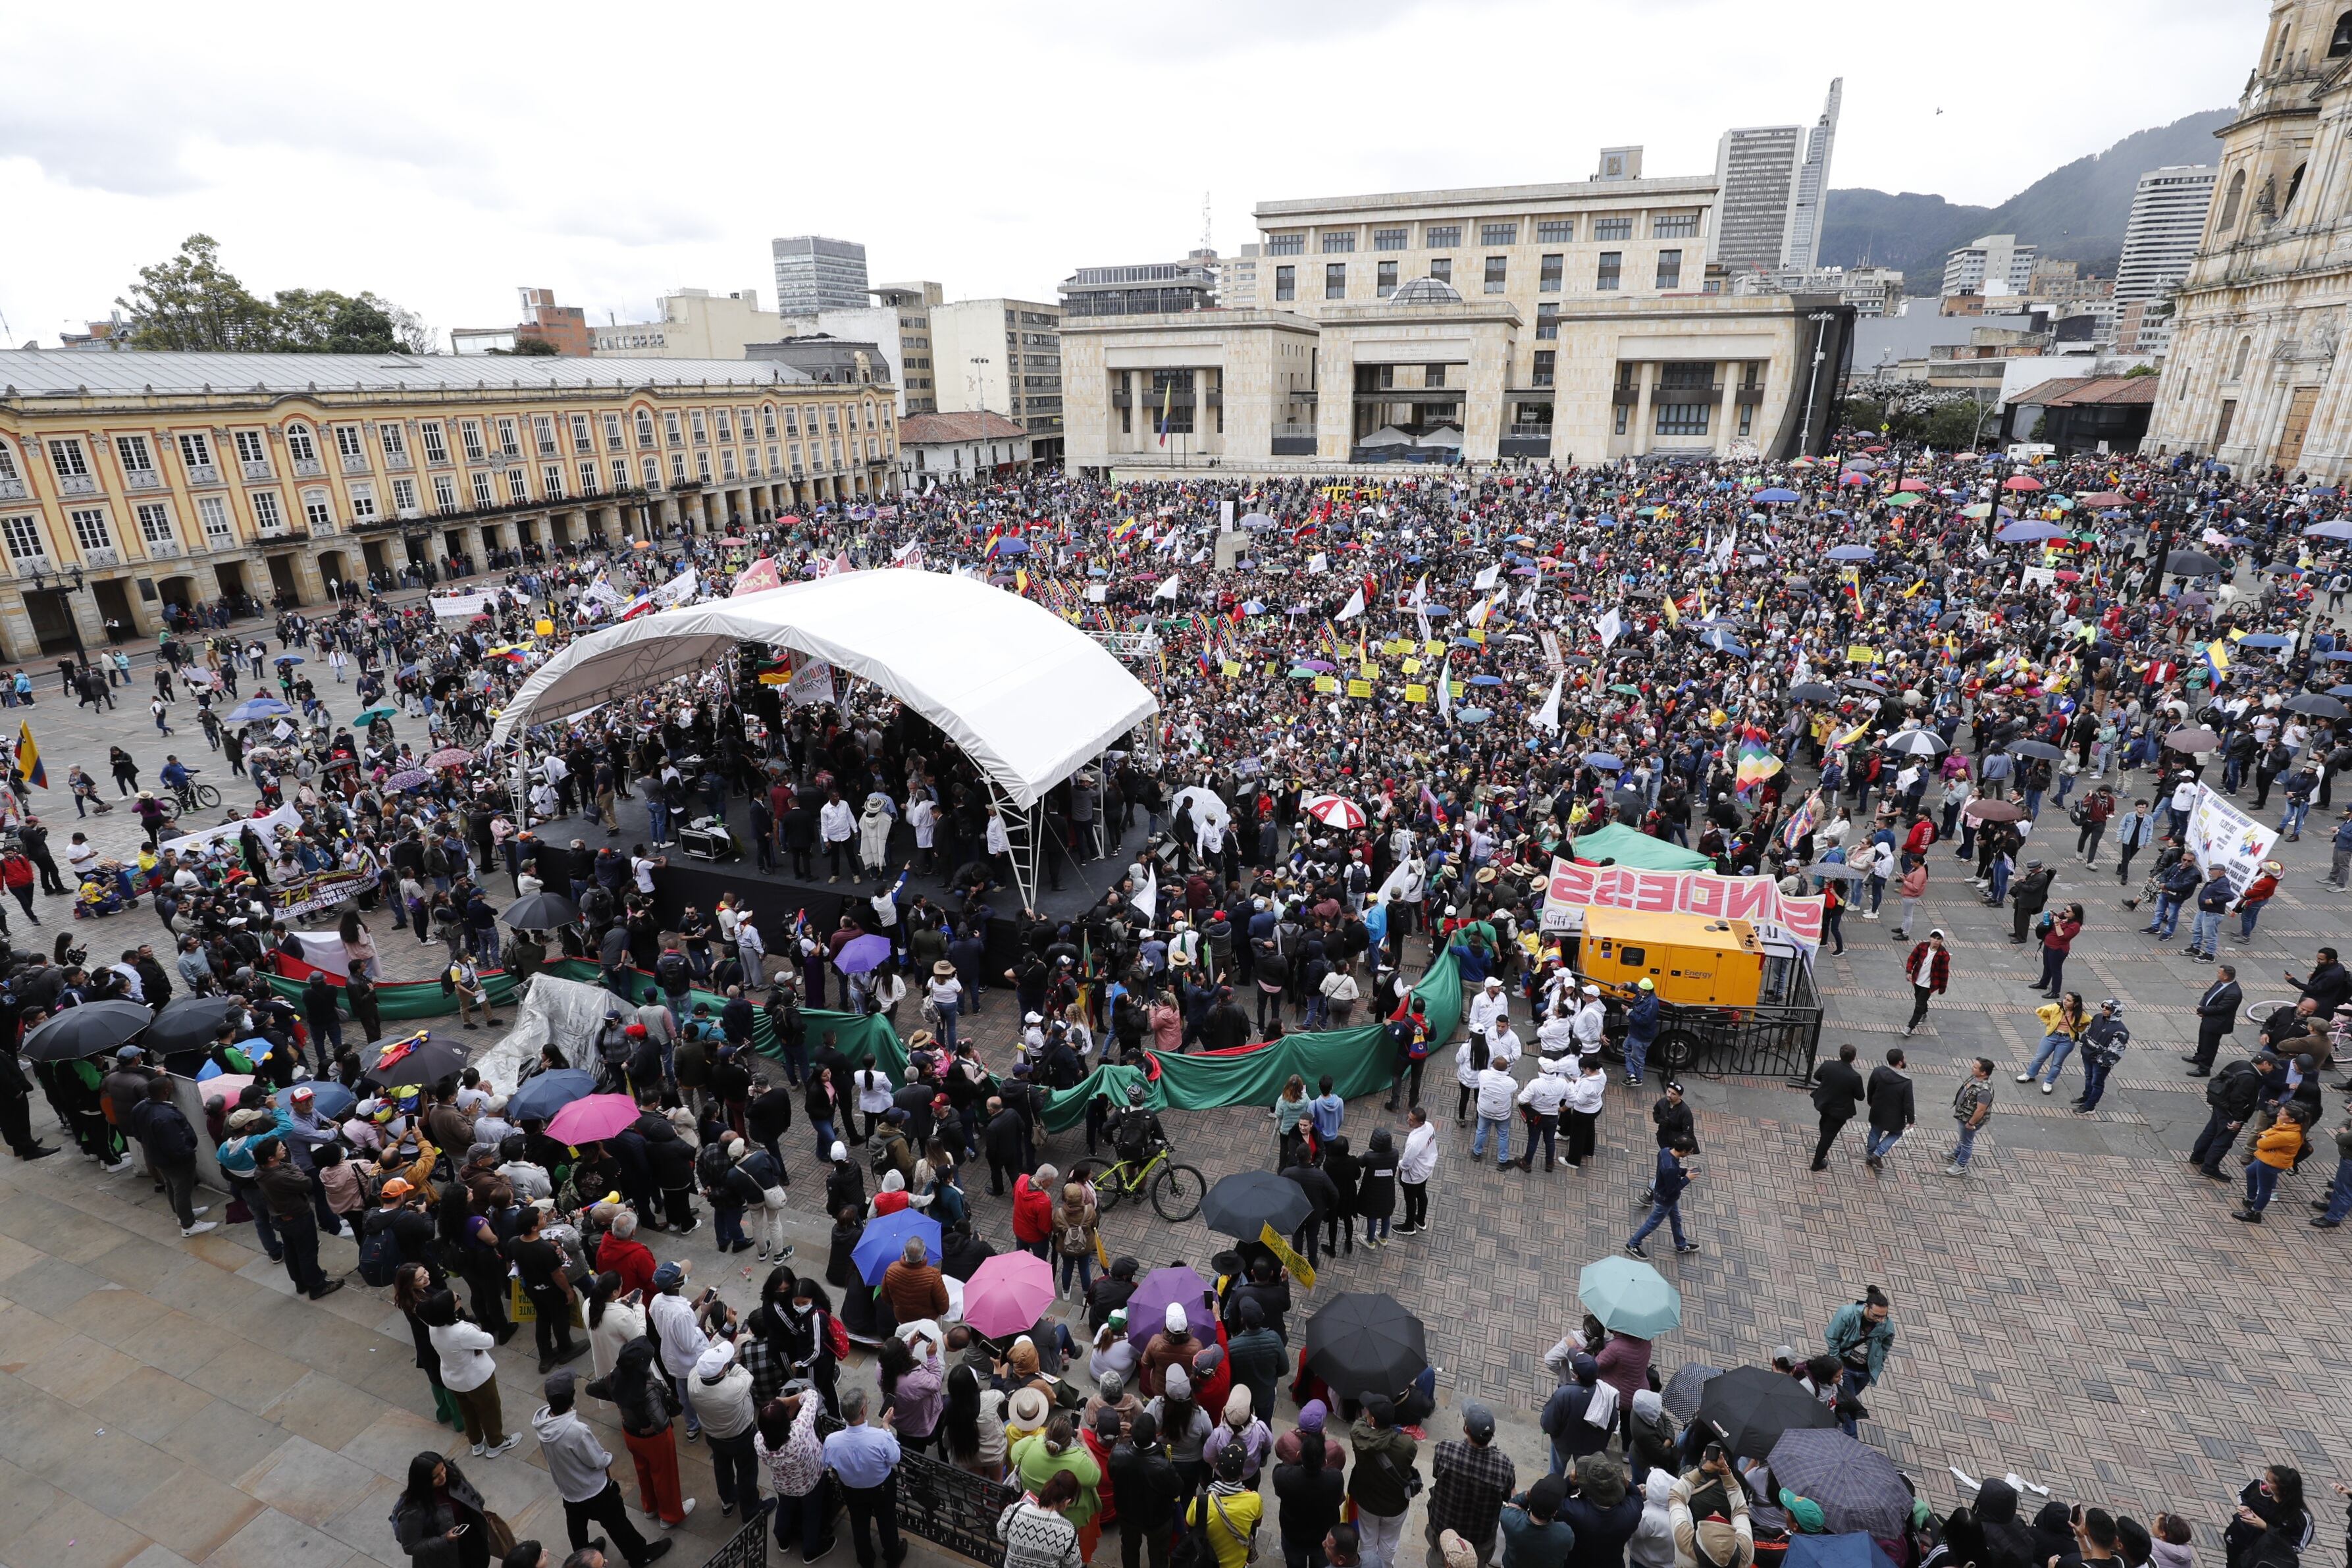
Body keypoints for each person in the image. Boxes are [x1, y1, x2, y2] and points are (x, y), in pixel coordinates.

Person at [533, 1368, 673, 1565]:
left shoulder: (543, 1425)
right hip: (594, 1491)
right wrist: (608, 1457)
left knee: (577, 1529)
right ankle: (639, 1555)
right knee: (617, 1524)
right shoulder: (577, 1431)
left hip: (570, 1492)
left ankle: (583, 1558)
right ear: (572, 1398)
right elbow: (597, 1460)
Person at [424, 1290, 522, 1458]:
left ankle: (476, 1442)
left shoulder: (434, 1327)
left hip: (452, 1379)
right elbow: (488, 1341)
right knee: (489, 1409)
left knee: (467, 1411)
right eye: (457, 1298)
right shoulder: (461, 1331)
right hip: (476, 1379)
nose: (459, 1299)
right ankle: (496, 1443)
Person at [822, 1387, 906, 1568]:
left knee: (859, 1524)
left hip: (852, 1490)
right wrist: (886, 1426)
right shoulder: (880, 1438)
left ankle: (866, 1559)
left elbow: (827, 1463)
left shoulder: (832, 1441)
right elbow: (894, 1458)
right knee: (887, 1521)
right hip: (881, 1488)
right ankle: (892, 1555)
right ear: (863, 1411)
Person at [1426, 1403, 1515, 1568]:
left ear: (1466, 1429)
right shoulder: (1504, 1466)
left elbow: (1436, 1474)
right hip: (1479, 1539)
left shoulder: (1445, 1450)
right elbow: (1509, 1497)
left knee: (1437, 1562)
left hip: (1443, 1528)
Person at [1348, 1396, 1419, 1568]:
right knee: (1389, 1542)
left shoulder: (1359, 1437)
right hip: (1395, 1506)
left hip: (1368, 1502)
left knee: (1367, 1539)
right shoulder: (1406, 1445)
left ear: (1372, 1419)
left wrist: (1369, 1419)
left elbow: (1359, 1423)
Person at [390, 1451, 494, 1566]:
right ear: (423, 1481)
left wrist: (479, 1506)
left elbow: (470, 1491)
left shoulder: (451, 1471)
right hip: (448, 1557)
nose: (443, 1476)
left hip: (473, 1540)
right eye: (436, 1476)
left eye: (442, 1469)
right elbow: (411, 1546)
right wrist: (445, 1539)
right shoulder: (413, 1508)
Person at [1823, 1288, 1894, 1438]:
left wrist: (1879, 1363)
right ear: (1867, 1307)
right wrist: (1837, 1364)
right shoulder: (1847, 1314)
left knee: (1845, 1399)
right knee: (1850, 1402)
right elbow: (1832, 1337)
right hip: (1845, 1367)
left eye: (1883, 1316)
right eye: (1876, 1316)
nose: (1881, 1320)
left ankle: (1833, 1419)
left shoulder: (1886, 1324)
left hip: (1865, 1371)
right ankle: (1851, 1438)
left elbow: (1886, 1344)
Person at [1189, 1444, 1268, 1568]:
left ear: (1218, 1468)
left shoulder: (1200, 1502)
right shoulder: (1254, 1499)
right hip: (1238, 1563)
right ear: (1242, 1473)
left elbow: (1190, 1524)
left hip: (1208, 1563)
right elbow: (1257, 1523)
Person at [1625, 1136, 1696, 1259]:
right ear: (1683, 1151)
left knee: (1676, 1219)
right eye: (1689, 1152)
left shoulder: (1665, 1152)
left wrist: (1684, 1171)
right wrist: (1687, 1179)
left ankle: (1681, 1244)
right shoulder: (1671, 1168)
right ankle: (1632, 1244)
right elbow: (1672, 1190)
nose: (1690, 1154)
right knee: (1653, 1223)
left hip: (1663, 1194)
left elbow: (1670, 1173)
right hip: (1665, 1199)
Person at [999, 1469, 1087, 1568]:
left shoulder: (1014, 1510)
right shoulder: (1068, 1531)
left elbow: (1002, 1535)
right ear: (1067, 1502)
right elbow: (1074, 1566)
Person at [2236, 1103, 2308, 1222]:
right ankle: (2251, 1199)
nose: (2278, 1114)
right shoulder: (2286, 1126)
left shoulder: (2288, 1135)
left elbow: (2261, 1144)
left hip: (2272, 1163)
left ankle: (2255, 1213)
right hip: (2268, 1158)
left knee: (2265, 1189)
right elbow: (2271, 1131)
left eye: (2282, 1113)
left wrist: (2263, 1136)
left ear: (2291, 1119)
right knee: (2251, 1172)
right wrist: (2265, 1135)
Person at [1808, 1044, 1864, 1172]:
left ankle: (1823, 1141)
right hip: (1840, 1110)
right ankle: (1817, 1163)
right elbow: (1860, 1096)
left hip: (1824, 1103)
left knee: (1824, 1123)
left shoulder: (1828, 1065)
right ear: (1854, 1058)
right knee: (1828, 1135)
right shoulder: (1854, 1077)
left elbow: (1817, 1077)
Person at [1499, 1477, 1577, 1568]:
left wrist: (1525, 1495)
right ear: (1555, 1512)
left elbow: (1509, 1506)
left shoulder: (1509, 1519)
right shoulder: (1566, 1535)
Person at [1862, 1049, 1914, 1172]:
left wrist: (1870, 1101)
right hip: (1895, 1117)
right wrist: (1911, 1119)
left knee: (1875, 1133)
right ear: (1900, 1063)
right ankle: (1877, 1154)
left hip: (1878, 1110)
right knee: (1896, 1133)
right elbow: (1908, 1103)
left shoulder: (1878, 1071)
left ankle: (1871, 1155)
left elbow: (1870, 1088)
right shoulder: (1906, 1082)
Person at [2188, 964, 2243, 1076]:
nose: (2217, 974)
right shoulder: (2220, 983)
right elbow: (2209, 994)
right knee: (2203, 1040)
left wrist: (2203, 1010)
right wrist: (2203, 1008)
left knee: (2210, 1046)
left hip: (2218, 1023)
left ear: (2226, 977)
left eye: (2219, 973)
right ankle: (2198, 1057)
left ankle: (2204, 1069)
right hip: (2208, 1018)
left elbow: (2221, 1008)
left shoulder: (2233, 993)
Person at [1945, 1058, 1995, 1177]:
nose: (1972, 1068)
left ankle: (1961, 1165)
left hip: (1969, 1120)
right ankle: (1957, 1153)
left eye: (1975, 1067)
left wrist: (1971, 1123)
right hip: (1964, 1115)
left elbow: (1980, 1110)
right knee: (1964, 1138)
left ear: (1983, 1073)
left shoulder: (1984, 1090)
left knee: (1967, 1142)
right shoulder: (1977, 1080)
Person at [1900, 930, 1948, 1037]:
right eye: (1934, 938)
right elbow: (1912, 959)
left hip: (1929, 984)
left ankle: (1910, 1027)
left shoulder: (1943, 955)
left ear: (1942, 941)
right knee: (1919, 999)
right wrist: (1909, 971)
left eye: (1939, 939)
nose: (1936, 941)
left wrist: (1942, 987)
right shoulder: (1922, 947)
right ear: (1930, 938)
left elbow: (1944, 972)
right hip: (1917, 979)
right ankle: (1924, 1012)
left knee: (1919, 1005)